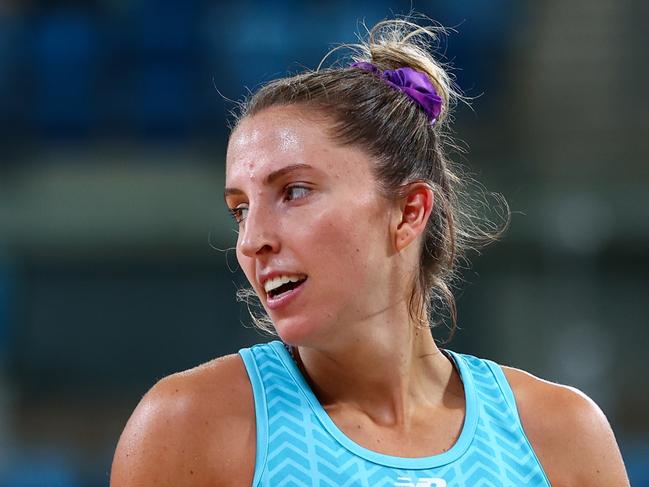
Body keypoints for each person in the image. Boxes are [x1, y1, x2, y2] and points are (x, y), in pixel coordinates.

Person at [110, 18, 629, 487]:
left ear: (407, 212)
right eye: (240, 208)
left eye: (294, 192)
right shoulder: (186, 427)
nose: (251, 241)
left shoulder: (562, 437)